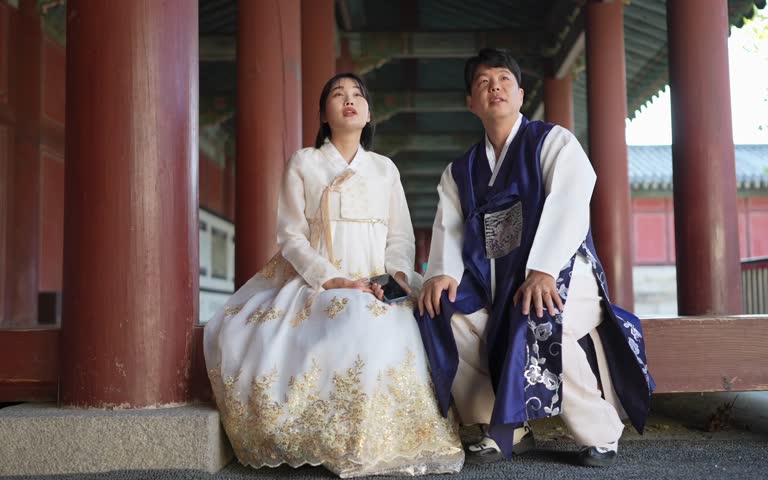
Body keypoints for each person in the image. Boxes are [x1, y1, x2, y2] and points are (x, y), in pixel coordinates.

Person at [204, 73, 464, 478]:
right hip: (319, 278)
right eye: (337, 95)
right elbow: (290, 235)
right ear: (324, 113)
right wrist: (331, 278)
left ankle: (384, 439)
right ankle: (334, 439)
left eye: (357, 95)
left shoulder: (385, 169)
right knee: (350, 315)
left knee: (400, 320)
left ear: (369, 113)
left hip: (378, 278)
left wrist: (391, 278)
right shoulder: (304, 163)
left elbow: (399, 236)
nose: (349, 100)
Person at [416, 48, 654, 467]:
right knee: (443, 312)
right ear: (471, 103)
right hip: (495, 287)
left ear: (521, 94)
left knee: (540, 314)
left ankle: (600, 430)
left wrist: (543, 268)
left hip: (562, 275)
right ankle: (504, 423)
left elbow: (570, 201)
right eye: (483, 82)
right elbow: (449, 229)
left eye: (504, 80)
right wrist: (440, 274)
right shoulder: (460, 171)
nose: (495, 88)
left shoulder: (551, 141)